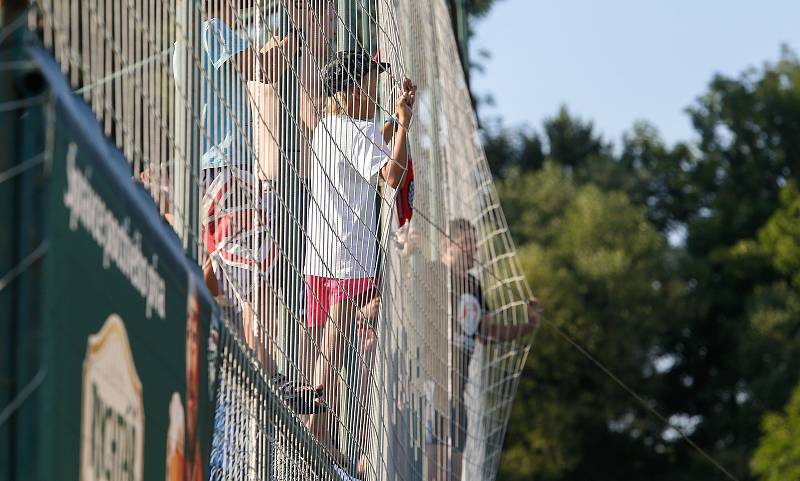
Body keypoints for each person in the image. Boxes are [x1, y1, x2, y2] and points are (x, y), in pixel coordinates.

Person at [303, 49, 417, 468]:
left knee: (332, 342)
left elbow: (370, 140)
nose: (376, 89)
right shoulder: (358, 128)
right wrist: (403, 124)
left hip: (321, 253)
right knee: (340, 344)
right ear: (353, 88)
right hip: (350, 254)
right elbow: (391, 175)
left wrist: (392, 125)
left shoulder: (327, 127)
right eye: (371, 81)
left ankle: (320, 430)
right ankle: (317, 429)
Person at [398, 219, 541, 481]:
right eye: (467, 243)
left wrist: (527, 326)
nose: (474, 249)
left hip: (458, 395)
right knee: (435, 472)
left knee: (453, 473)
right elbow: (405, 278)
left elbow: (487, 332)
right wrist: (408, 251)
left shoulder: (474, 287)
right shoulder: (433, 272)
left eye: (476, 244)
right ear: (447, 245)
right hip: (431, 385)